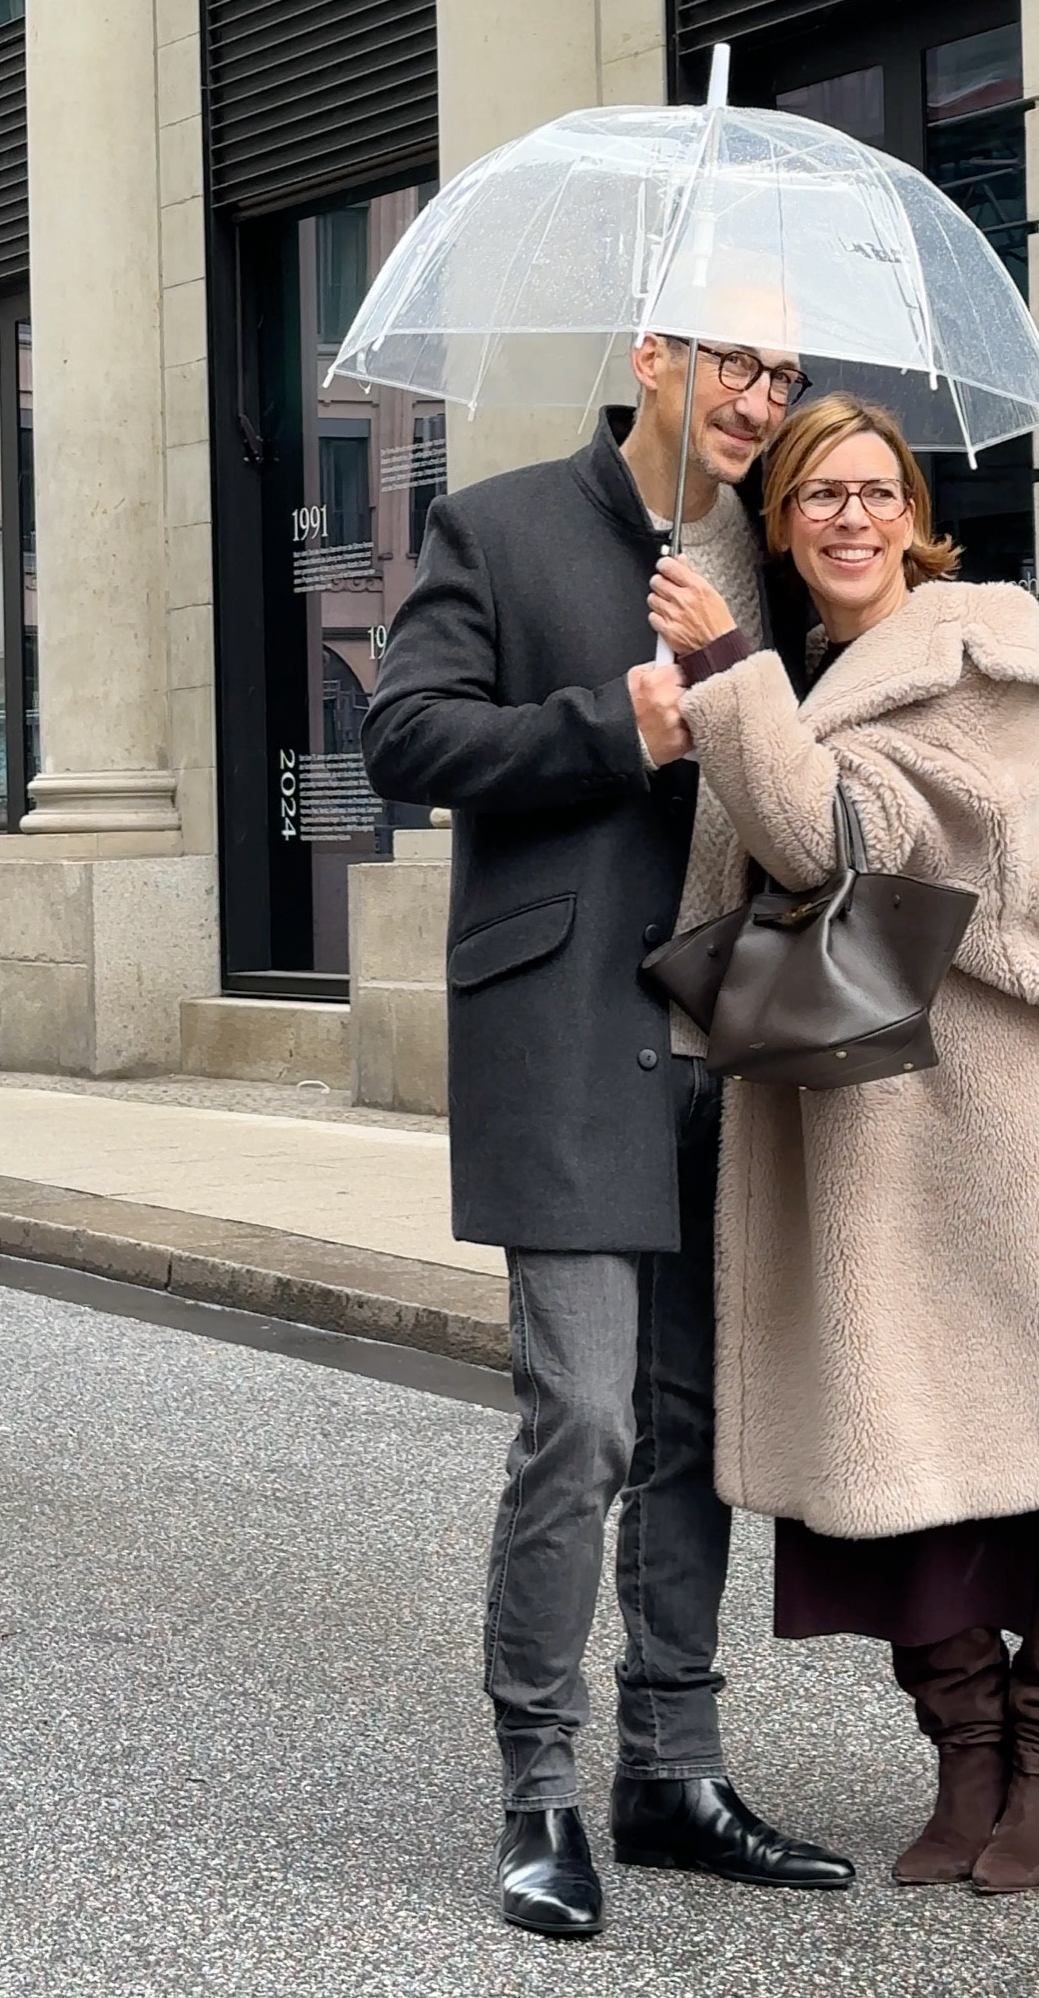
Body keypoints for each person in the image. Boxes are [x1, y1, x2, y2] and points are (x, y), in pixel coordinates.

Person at [362, 335, 855, 1942]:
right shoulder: (501, 527)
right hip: (571, 1034)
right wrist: (613, 723)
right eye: (735, 364)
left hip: (743, 1035)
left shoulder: (775, 550)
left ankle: (672, 1773)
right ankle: (540, 1794)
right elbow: (404, 738)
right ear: (653, 355)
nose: (760, 401)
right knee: (580, 1417)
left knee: (694, 1427)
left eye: (783, 376)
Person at [643, 392, 1039, 1898]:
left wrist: (725, 676)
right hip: (857, 1120)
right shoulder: (808, 669)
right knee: (893, 1443)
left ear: (916, 517)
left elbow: (836, 846)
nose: (850, 517)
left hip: (998, 1115)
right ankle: (966, 1753)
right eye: (818, 495)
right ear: (784, 522)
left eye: (875, 492)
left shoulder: (976, 656)